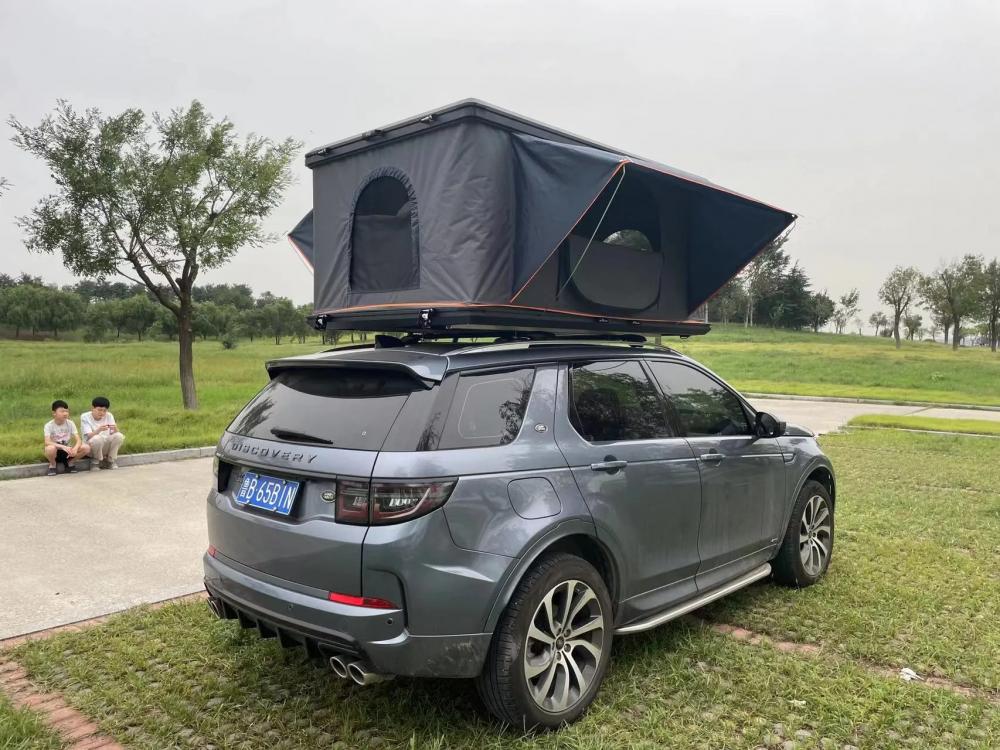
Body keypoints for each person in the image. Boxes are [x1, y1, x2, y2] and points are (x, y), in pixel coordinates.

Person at [43, 400, 90, 476]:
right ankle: (53, 464)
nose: (65, 413)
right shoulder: (48, 425)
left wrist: (75, 448)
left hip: (68, 452)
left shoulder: (70, 423)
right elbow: (47, 442)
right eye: (62, 411)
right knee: (50, 448)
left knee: (86, 448)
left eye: (66, 411)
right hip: (55, 452)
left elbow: (78, 439)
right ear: (54, 413)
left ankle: (70, 463)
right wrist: (63, 446)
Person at [81, 396, 125, 470]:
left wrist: (116, 429)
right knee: (97, 438)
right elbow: (88, 436)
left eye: (104, 410)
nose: (102, 413)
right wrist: (98, 430)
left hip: (104, 445)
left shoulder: (109, 415)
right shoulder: (85, 417)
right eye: (99, 410)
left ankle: (111, 460)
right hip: (91, 447)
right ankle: (95, 461)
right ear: (92, 408)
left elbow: (112, 432)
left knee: (119, 436)